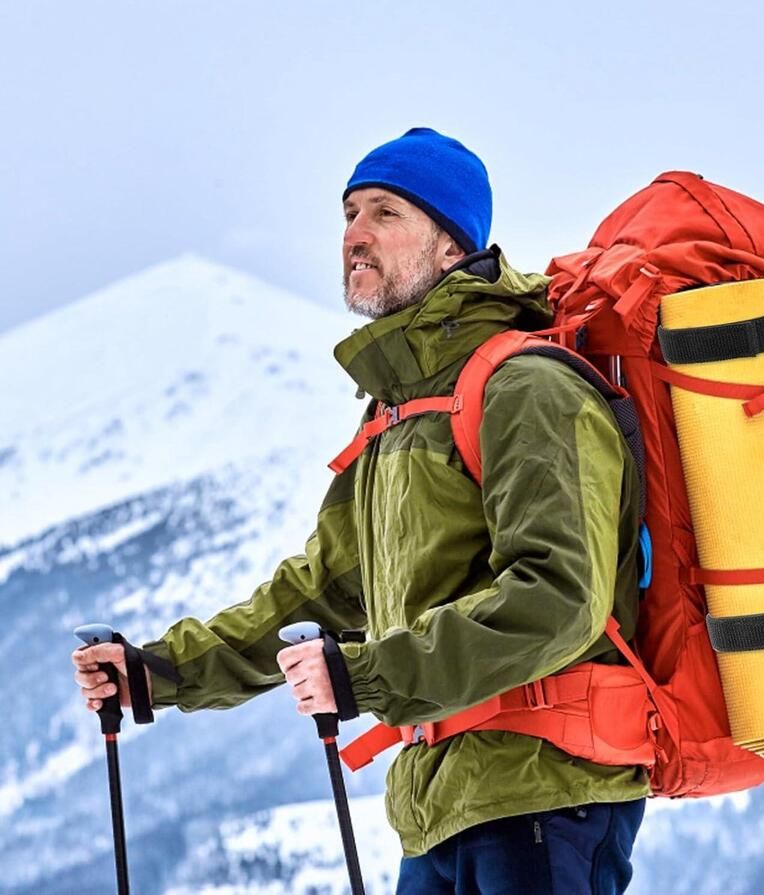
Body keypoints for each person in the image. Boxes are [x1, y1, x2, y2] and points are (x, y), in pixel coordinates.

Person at [72, 127, 648, 894]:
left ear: (450, 245)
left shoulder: (528, 389)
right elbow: (319, 591)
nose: (354, 234)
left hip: (547, 796)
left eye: (385, 213)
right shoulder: (397, 416)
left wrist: (368, 673)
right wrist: (160, 672)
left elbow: (558, 600)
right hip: (441, 803)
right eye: (348, 213)